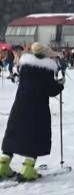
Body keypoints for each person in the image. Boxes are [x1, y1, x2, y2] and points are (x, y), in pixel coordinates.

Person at [0, 43, 65, 181]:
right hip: (37, 108)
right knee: (34, 135)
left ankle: (3, 166)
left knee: (14, 133)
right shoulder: (46, 69)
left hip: (20, 105)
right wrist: (60, 85)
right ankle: (28, 169)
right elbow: (50, 89)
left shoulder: (25, 66)